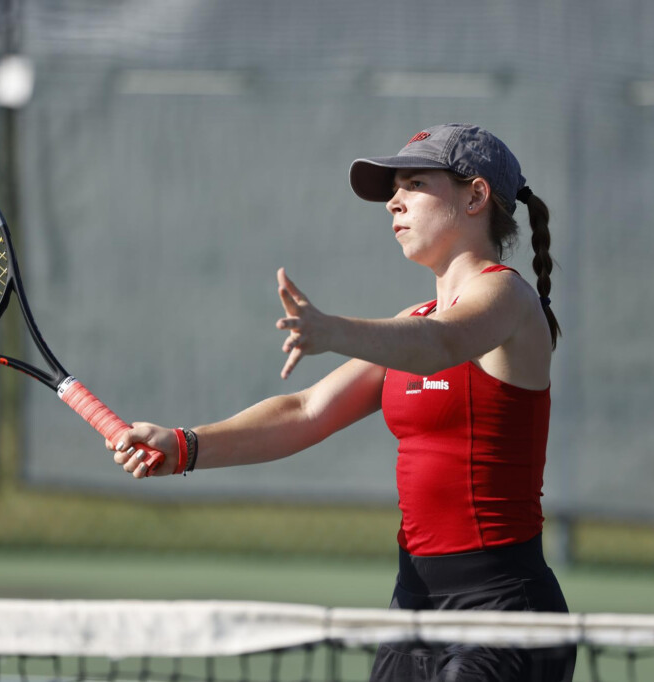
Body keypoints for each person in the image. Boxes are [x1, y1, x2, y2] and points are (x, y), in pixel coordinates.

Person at [108, 123, 575, 681]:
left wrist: (332, 331)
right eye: (393, 188)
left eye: (414, 183)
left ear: (475, 196)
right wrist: (184, 445)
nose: (393, 203)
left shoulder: (508, 298)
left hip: (502, 614)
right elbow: (306, 412)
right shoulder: (411, 323)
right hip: (414, 610)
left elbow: (442, 346)